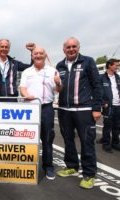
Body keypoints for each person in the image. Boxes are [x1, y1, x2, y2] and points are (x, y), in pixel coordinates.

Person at [56, 37, 103, 189]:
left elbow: (97, 85)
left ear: (78, 47)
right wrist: (57, 85)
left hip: (83, 110)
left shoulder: (88, 61)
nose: (71, 49)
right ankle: (71, 166)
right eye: (68, 47)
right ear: (64, 49)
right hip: (64, 110)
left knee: (87, 142)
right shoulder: (60, 65)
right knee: (68, 140)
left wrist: (96, 108)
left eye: (74, 46)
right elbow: (60, 88)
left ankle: (89, 174)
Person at [19, 46, 62, 180]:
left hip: (46, 109)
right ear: (32, 56)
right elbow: (22, 88)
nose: (38, 55)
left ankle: (48, 166)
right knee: (28, 138)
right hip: (30, 109)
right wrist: (27, 95)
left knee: (47, 138)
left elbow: (59, 89)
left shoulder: (52, 70)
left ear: (45, 55)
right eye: (35, 54)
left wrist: (58, 83)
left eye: (41, 53)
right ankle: (26, 166)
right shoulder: (26, 71)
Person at [97, 58, 120, 152]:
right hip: (108, 106)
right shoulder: (101, 78)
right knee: (108, 126)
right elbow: (98, 91)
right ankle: (106, 144)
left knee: (117, 126)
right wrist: (103, 103)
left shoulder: (117, 77)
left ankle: (115, 143)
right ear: (110, 65)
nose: (118, 67)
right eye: (116, 65)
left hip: (118, 106)